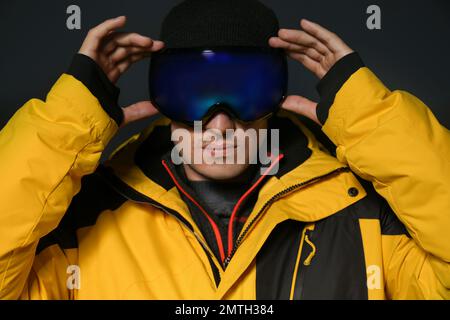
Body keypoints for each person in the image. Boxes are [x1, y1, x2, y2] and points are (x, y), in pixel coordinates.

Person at [0, 0, 449, 300]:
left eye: (245, 91)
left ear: (275, 96)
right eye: (193, 92)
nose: (218, 123)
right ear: (163, 98)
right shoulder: (85, 221)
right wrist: (69, 119)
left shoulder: (361, 216)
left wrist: (368, 116)